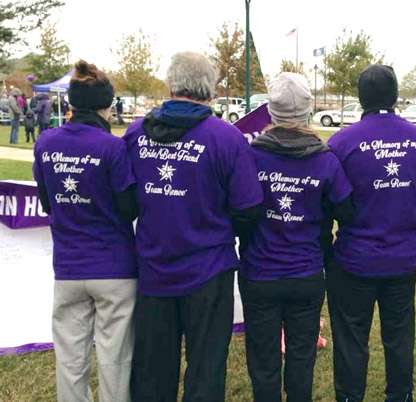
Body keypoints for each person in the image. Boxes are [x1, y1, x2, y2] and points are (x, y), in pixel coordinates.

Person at [124, 52, 263, 402]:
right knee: (205, 369)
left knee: (153, 373)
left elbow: (122, 198)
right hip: (208, 270)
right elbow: (248, 207)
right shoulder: (226, 138)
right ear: (210, 88)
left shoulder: (136, 133)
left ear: (171, 84)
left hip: (155, 267)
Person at [326, 65, 416, 402]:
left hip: (354, 258)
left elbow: (333, 203)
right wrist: (411, 240)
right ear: (395, 95)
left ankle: (349, 396)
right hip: (401, 258)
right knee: (399, 335)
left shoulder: (341, 143)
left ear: (361, 98)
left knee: (350, 337)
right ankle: (400, 395)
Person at [239, 72, 353, 402]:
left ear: (271, 111)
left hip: (260, 274)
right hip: (306, 274)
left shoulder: (251, 156)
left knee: (263, 361)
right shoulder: (325, 159)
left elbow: (239, 211)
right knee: (302, 358)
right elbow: (346, 210)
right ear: (308, 111)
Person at [32, 60, 138, 402]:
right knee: (115, 357)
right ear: (107, 106)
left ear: (72, 104)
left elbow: (47, 202)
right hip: (115, 268)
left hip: (68, 266)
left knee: (70, 358)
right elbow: (129, 207)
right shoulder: (113, 147)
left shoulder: (46, 143)